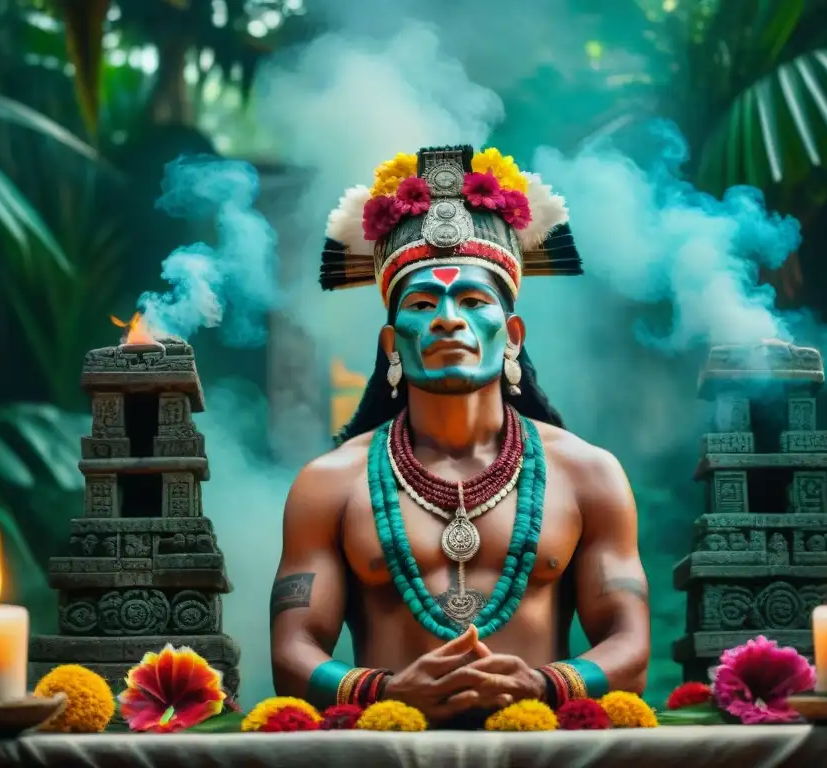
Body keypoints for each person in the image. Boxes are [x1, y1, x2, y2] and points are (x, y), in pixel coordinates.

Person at [270, 145, 650, 726]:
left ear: (513, 335)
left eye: (473, 301)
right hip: (387, 754)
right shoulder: (330, 484)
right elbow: (292, 651)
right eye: (423, 304)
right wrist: (385, 692)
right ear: (392, 345)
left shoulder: (587, 474)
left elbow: (631, 642)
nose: (449, 318)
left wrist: (545, 685)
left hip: (538, 751)